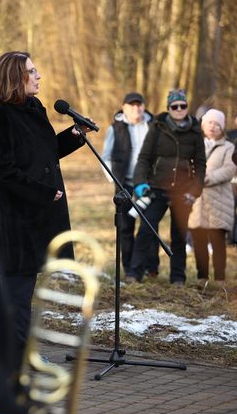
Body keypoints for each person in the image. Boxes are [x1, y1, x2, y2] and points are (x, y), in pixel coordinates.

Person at [0, 51, 87, 368]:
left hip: (37, 218)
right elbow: (4, 170)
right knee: (15, 294)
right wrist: (42, 193)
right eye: (32, 71)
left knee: (25, 292)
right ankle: (15, 359)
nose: (39, 76)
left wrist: (74, 136)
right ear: (16, 77)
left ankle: (18, 352)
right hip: (15, 221)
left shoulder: (33, 109)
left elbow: (44, 154)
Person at [125, 89, 206, 286]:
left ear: (187, 107)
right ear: (168, 108)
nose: (179, 109)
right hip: (156, 188)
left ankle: (178, 278)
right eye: (174, 106)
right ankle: (134, 274)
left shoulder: (196, 131)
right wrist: (140, 184)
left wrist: (195, 191)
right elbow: (144, 158)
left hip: (183, 192)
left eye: (182, 106)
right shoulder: (157, 127)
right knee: (146, 230)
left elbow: (201, 164)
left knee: (179, 235)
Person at [101, 92, 160, 276]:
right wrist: (114, 178)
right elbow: (106, 157)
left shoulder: (154, 126)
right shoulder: (115, 128)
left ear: (143, 106)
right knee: (125, 226)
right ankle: (128, 268)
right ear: (124, 107)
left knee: (150, 225)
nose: (136, 108)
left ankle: (151, 267)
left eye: (139, 104)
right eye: (132, 105)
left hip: (147, 184)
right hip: (124, 184)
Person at [188, 109, 236, 284]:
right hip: (197, 202)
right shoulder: (194, 144)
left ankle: (220, 279)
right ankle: (202, 278)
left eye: (217, 124)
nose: (213, 127)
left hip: (219, 201)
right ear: (203, 125)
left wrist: (204, 179)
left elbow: (229, 170)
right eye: (210, 122)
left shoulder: (229, 147)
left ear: (222, 128)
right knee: (199, 242)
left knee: (218, 242)